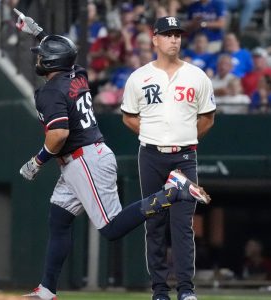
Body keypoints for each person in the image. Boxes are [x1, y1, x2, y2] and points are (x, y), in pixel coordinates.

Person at [15, 12, 211, 300]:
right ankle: (47, 289)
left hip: (83, 160)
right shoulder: (77, 75)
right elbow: (65, 56)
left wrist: (37, 161)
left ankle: (171, 192)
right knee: (59, 219)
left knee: (111, 227)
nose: (38, 59)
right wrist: (40, 34)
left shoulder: (50, 92)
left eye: (42, 55)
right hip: (85, 157)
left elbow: (58, 136)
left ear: (51, 62)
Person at [121, 16, 216, 300]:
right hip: (150, 155)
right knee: (154, 223)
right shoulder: (139, 76)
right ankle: (160, 291)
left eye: (177, 34)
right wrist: (154, 134)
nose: (174, 39)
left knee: (183, 225)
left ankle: (186, 291)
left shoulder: (197, 75)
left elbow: (208, 118)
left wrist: (184, 139)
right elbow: (127, 116)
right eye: (168, 34)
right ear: (155, 39)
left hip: (184, 158)